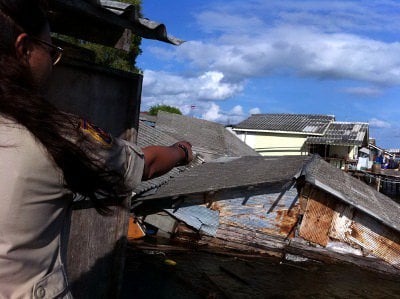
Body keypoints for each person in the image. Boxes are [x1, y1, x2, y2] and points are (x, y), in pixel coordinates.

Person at [0, 0, 193, 298]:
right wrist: (181, 150)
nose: (54, 63)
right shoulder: (55, 134)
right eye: (51, 51)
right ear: (25, 50)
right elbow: (146, 165)